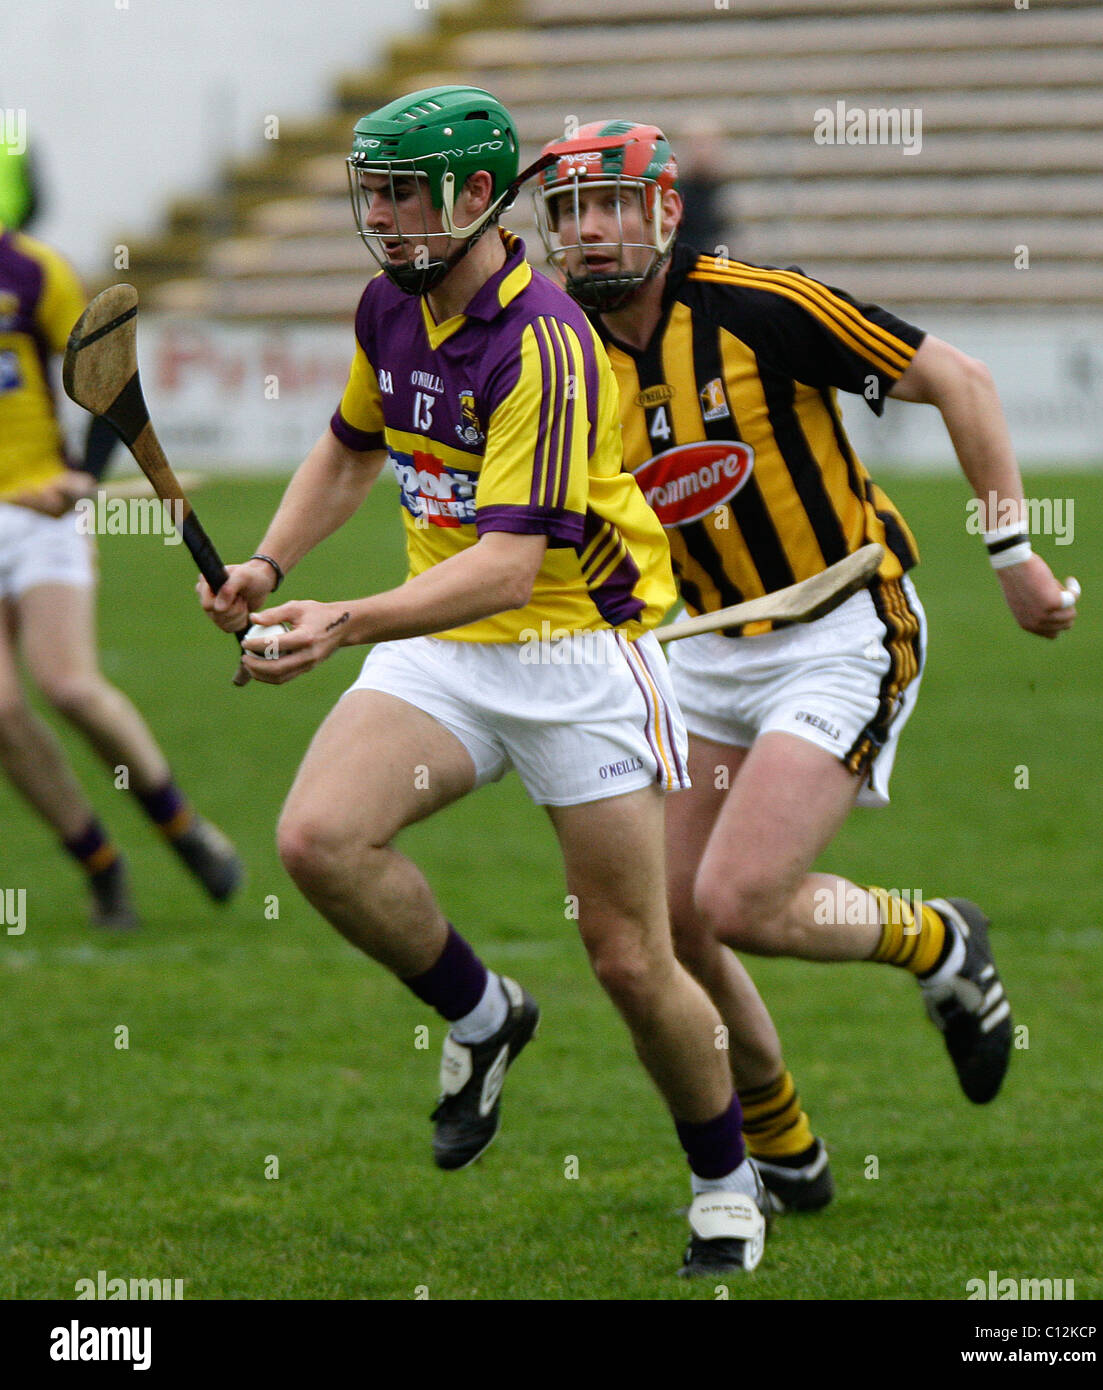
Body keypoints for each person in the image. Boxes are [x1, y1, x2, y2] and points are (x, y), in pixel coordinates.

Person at [200, 85, 771, 1276]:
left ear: (472, 197)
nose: (382, 216)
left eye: (401, 194)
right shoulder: (389, 304)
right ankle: (483, 1011)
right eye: (372, 193)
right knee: (318, 839)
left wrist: (344, 620)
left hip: (577, 656)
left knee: (627, 955)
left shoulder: (545, 341)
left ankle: (725, 1175)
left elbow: (509, 571)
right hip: (444, 646)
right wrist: (268, 561)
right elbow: (354, 448)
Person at [534, 120, 1079, 1210]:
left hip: (842, 627)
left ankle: (938, 939)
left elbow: (960, 380)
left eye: (611, 207)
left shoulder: (758, 303)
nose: (590, 233)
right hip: (706, 652)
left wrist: (1011, 550)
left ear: (665, 213)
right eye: (568, 214)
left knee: (734, 899)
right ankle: (784, 1147)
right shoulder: (567, 352)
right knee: (669, 921)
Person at [0, 223, 244, 929]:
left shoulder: (32, 272)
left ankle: (182, 827)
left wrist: (81, 475)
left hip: (44, 516)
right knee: (2, 712)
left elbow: (103, 375)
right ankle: (100, 865)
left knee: (69, 685)